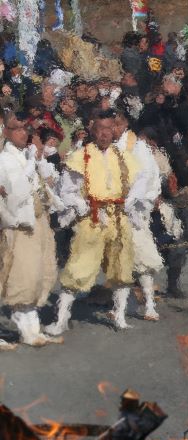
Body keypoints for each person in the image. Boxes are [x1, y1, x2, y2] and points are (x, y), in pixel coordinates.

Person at [46, 112, 142, 335]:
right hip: (93, 218)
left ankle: (119, 316)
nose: (105, 133)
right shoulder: (81, 156)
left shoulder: (123, 156)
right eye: (100, 128)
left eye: (109, 128)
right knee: (79, 266)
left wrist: (131, 202)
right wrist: (83, 206)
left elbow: (140, 181)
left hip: (118, 218)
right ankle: (61, 319)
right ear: (92, 130)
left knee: (122, 267)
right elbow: (66, 191)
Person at [0, 113, 62, 348]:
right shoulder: (4, 160)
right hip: (19, 226)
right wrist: (28, 166)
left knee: (40, 272)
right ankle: (27, 329)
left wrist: (37, 162)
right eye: (17, 129)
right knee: (23, 276)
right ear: (6, 131)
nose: (23, 133)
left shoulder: (28, 155)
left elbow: (44, 184)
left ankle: (32, 329)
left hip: (38, 222)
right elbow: (14, 194)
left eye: (25, 129)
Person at [112, 111, 164, 321]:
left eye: (116, 124)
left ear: (124, 124)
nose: (111, 129)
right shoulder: (105, 147)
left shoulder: (138, 147)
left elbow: (150, 176)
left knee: (142, 258)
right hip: (113, 209)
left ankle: (150, 304)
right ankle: (121, 307)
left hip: (135, 209)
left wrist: (142, 201)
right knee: (118, 260)